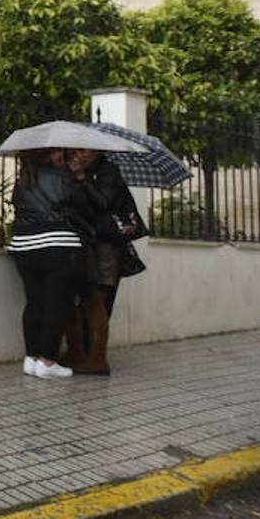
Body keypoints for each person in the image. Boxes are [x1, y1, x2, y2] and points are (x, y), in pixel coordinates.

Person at [8, 147, 95, 379]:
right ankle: (47, 361)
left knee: (34, 302)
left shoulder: (21, 181)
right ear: (45, 155)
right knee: (56, 305)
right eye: (56, 151)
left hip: (24, 247)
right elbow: (85, 208)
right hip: (58, 246)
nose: (61, 155)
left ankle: (31, 358)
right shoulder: (63, 177)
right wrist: (79, 179)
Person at [62, 148, 145, 375]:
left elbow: (102, 202)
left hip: (105, 248)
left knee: (96, 300)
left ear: (97, 151)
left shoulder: (107, 171)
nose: (81, 154)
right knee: (80, 300)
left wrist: (81, 178)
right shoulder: (81, 171)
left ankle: (97, 358)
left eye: (87, 150)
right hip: (88, 243)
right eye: (79, 150)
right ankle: (79, 353)